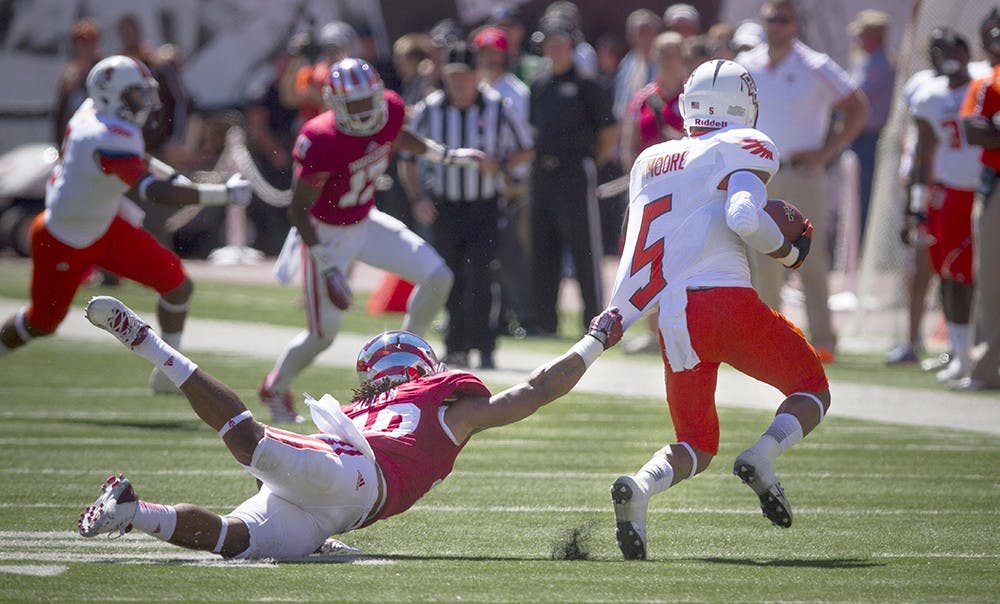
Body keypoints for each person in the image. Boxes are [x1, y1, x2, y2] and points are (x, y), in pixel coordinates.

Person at [77, 295, 623, 560]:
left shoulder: (376, 408)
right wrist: (593, 341)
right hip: (354, 476)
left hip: (343, 504)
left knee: (234, 541)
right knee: (249, 443)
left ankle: (131, 509)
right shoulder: (448, 410)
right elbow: (536, 390)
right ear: (422, 366)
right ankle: (144, 338)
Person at [605, 59, 831, 560]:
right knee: (811, 387)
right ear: (745, 104)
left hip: (672, 313)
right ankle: (762, 456)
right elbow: (745, 216)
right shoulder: (744, 145)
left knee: (696, 441)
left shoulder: (654, 158)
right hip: (724, 299)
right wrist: (788, 252)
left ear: (688, 104)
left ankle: (640, 488)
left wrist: (617, 312)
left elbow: (636, 241)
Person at [0, 56, 252, 394]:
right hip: (62, 238)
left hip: (103, 225)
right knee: (42, 323)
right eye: (135, 95)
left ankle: (168, 373)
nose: (144, 103)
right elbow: (154, 192)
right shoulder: (103, 135)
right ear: (111, 95)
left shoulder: (97, 114)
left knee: (177, 285)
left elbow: (140, 160)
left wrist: (173, 174)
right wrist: (221, 194)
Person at [259, 58, 489, 423]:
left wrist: (448, 156)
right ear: (335, 104)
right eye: (356, 104)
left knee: (438, 276)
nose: (366, 110)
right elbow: (298, 210)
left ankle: (409, 363)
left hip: (364, 220)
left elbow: (397, 136)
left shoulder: (391, 108)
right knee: (322, 335)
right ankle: (274, 385)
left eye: (369, 100)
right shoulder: (320, 138)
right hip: (326, 234)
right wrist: (328, 267)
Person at [736, 0, 870, 363]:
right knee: (761, 260)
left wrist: (827, 153)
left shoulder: (815, 64)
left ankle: (823, 341)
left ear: (795, 24)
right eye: (769, 19)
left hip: (800, 170)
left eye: (782, 20)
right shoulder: (748, 64)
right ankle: (767, 339)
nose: (774, 26)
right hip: (759, 173)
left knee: (807, 256)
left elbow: (857, 107)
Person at [400, 43, 533, 370]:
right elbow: (407, 157)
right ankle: (455, 346)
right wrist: (418, 197)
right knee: (451, 276)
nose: (459, 83)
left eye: (465, 75)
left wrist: (499, 165)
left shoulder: (498, 107)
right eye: (453, 76)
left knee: (482, 274)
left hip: (484, 206)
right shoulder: (431, 109)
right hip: (447, 206)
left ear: (477, 76)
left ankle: (485, 347)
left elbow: (526, 149)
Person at [529, 16, 618, 336]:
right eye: (549, 43)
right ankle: (544, 323)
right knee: (544, 247)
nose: (554, 49)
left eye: (560, 42)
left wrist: (589, 159)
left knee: (585, 248)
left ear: (571, 45)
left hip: (575, 172)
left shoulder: (587, 84)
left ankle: (593, 322)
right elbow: (534, 127)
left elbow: (609, 131)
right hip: (542, 172)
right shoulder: (539, 84)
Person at [907, 29, 981, 383]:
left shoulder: (983, 83)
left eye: (954, 48)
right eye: (939, 50)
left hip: (980, 188)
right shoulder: (928, 95)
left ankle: (969, 353)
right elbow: (924, 152)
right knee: (950, 274)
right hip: (947, 191)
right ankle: (960, 351)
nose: (947, 56)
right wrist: (916, 205)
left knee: (970, 275)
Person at [618, 31, 687, 355]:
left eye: (674, 53)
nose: (668, 60)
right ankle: (652, 329)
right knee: (649, 259)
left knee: (682, 260)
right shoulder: (644, 96)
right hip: (651, 190)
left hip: (685, 190)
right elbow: (630, 143)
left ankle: (681, 328)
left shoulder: (692, 97)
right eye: (663, 54)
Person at [957, 9, 1000, 391]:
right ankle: (986, 367)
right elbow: (976, 131)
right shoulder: (989, 81)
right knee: (990, 276)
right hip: (996, 182)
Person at [848, 10, 895, 240]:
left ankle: (865, 244)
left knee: (865, 194)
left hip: (869, 137)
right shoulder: (867, 60)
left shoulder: (878, 64)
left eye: (863, 35)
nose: (858, 40)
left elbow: (856, 96)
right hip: (860, 136)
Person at [54, 19, 102, 147]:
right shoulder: (69, 72)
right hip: (73, 138)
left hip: (98, 136)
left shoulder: (103, 70)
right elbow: (60, 113)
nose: (83, 48)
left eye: (87, 43)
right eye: (79, 43)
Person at [612, 9, 662, 120]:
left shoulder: (666, 59)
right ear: (631, 37)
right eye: (639, 32)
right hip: (634, 125)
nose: (645, 37)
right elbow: (621, 104)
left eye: (648, 31)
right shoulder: (627, 64)